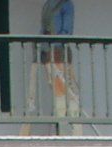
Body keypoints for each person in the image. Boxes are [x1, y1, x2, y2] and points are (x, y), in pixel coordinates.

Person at [25, 0, 84, 134]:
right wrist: (39, 45)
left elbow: (67, 31)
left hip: (59, 51)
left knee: (65, 88)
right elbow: (43, 28)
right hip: (47, 51)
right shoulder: (47, 5)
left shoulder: (66, 4)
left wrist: (52, 44)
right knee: (55, 86)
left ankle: (70, 124)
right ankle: (61, 118)